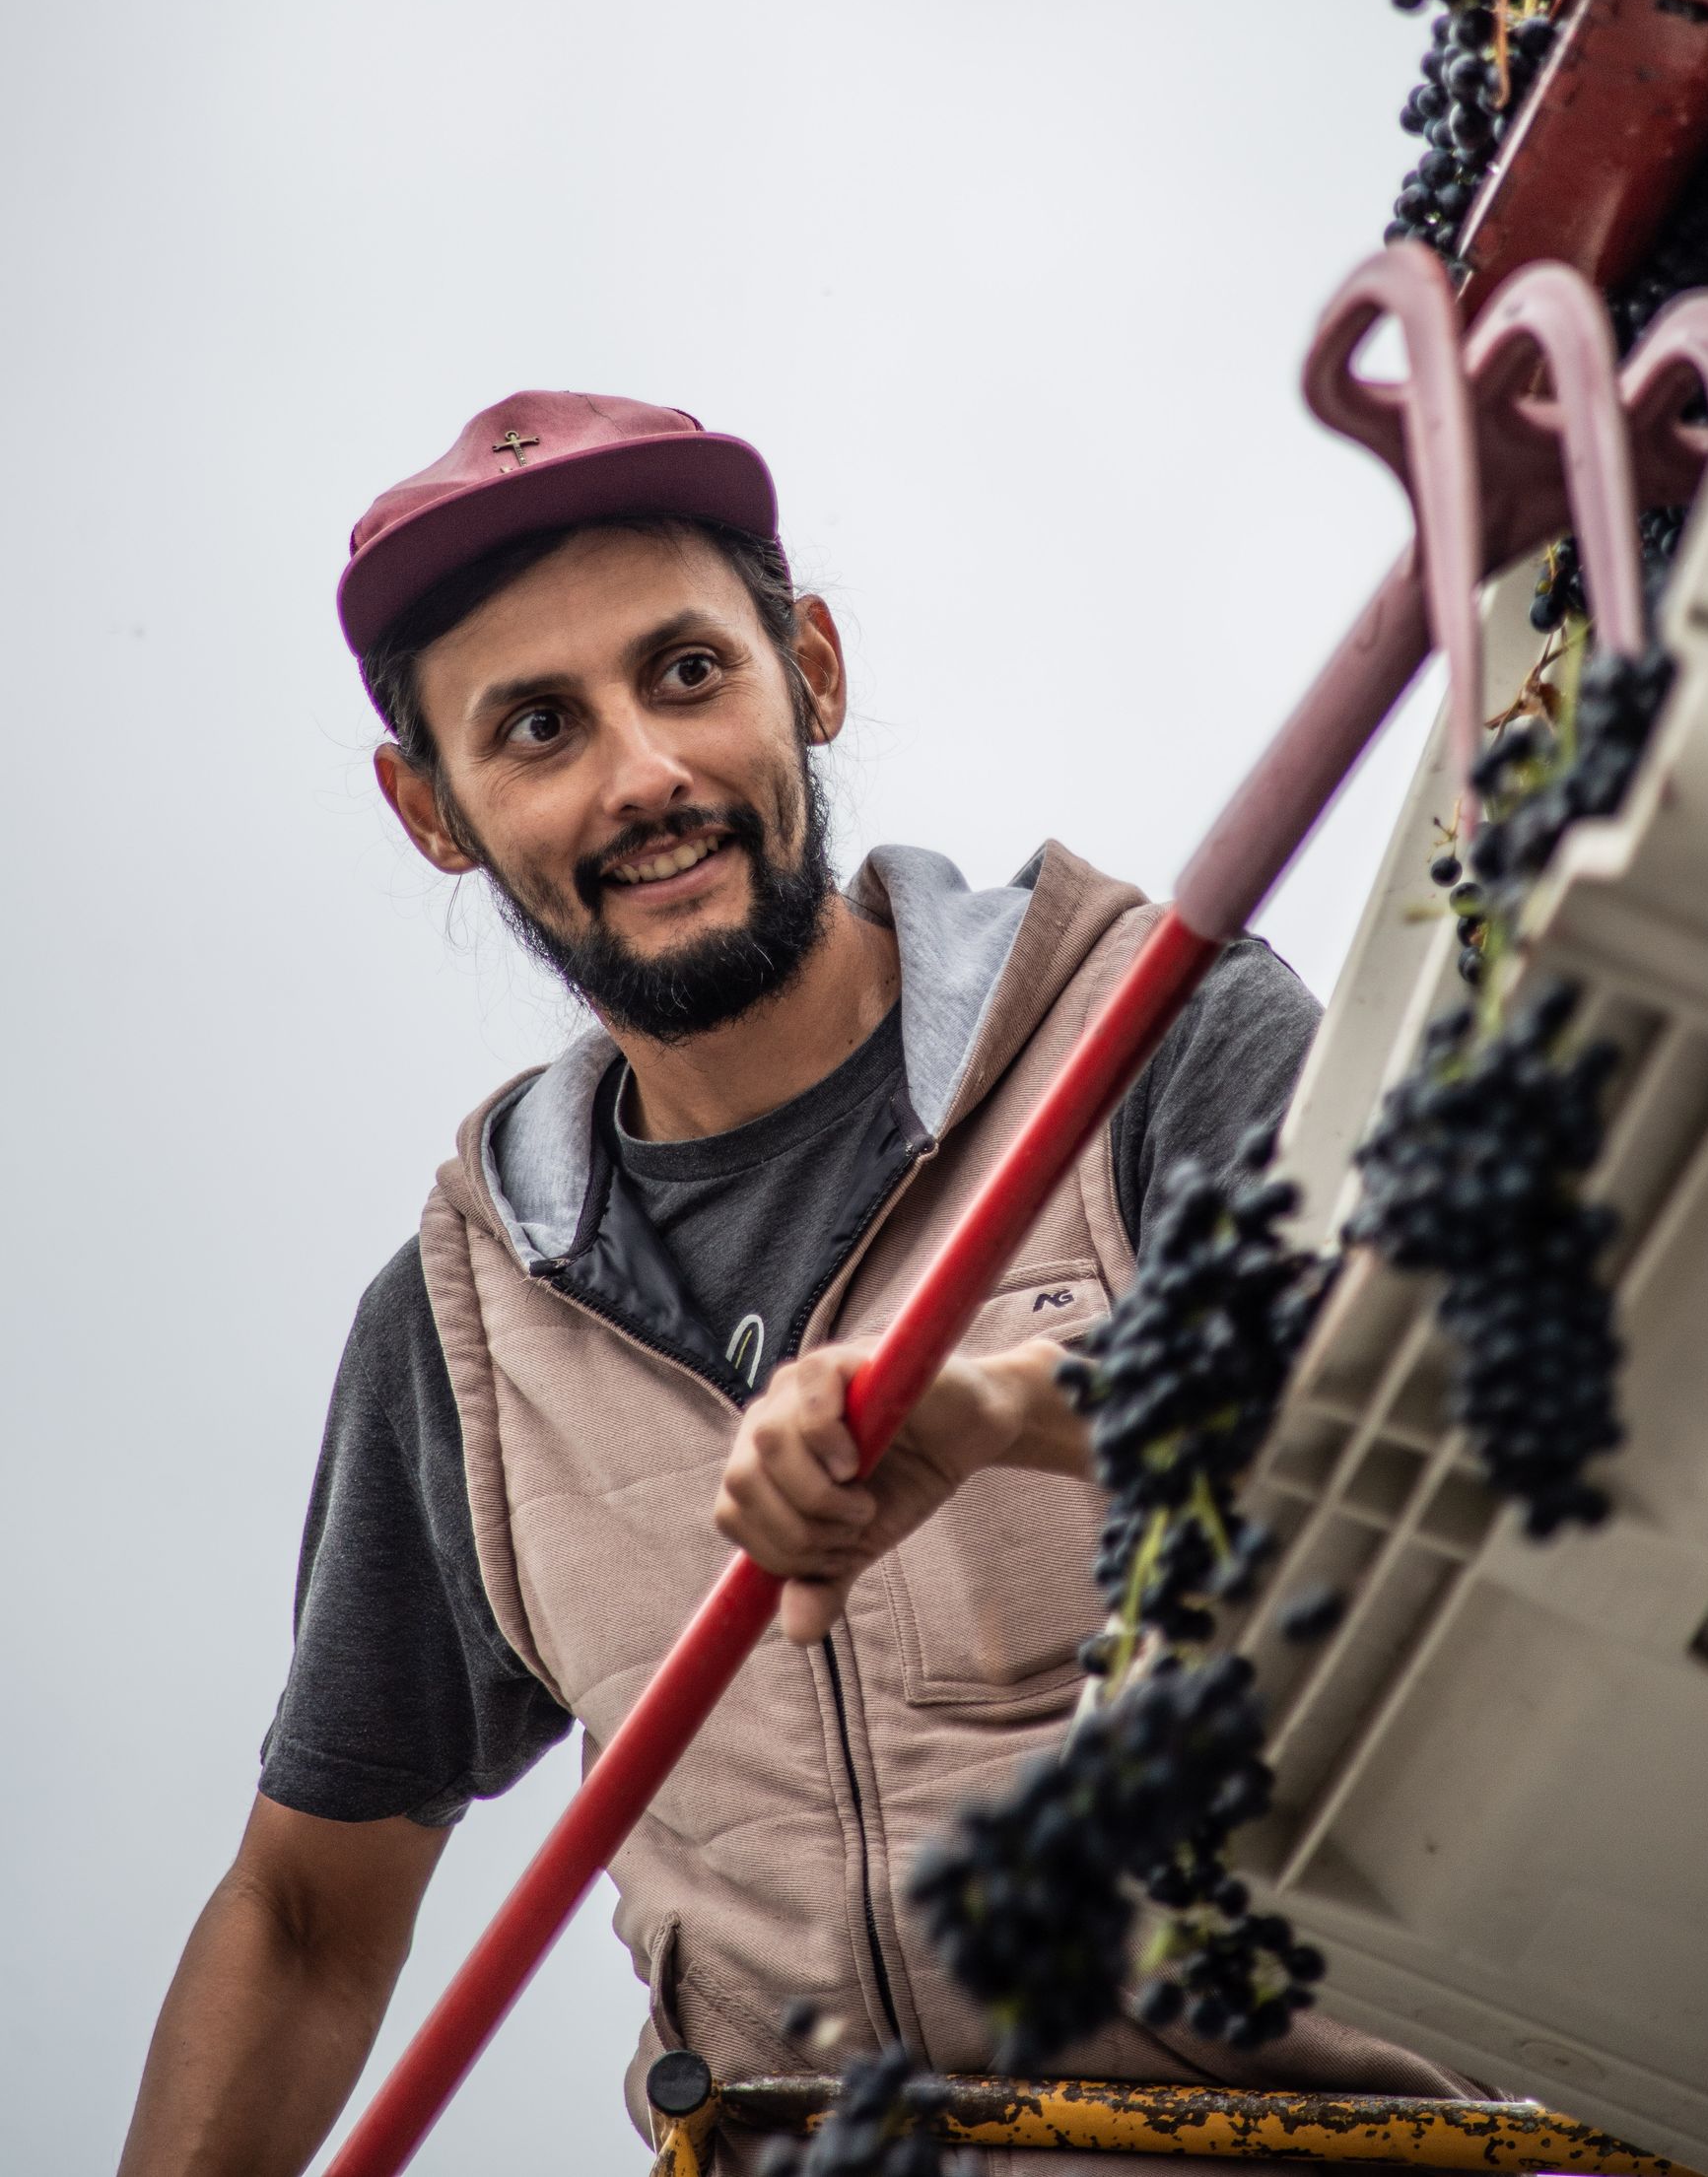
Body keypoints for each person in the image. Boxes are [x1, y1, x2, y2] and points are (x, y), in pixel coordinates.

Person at [118, 390, 1482, 2176]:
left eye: (687, 673)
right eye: (537, 727)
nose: (642, 773)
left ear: (811, 674)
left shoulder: (1152, 1037)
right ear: (432, 812)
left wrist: (998, 1408)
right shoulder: (463, 1331)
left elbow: (1411, 1415)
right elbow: (305, 1924)